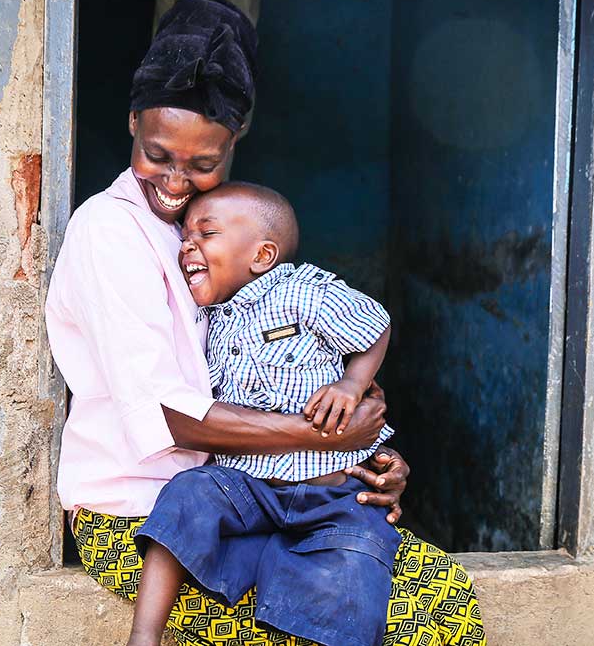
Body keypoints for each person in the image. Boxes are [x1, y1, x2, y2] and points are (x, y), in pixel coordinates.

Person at [45, 0, 485, 644]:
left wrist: (361, 453)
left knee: (441, 594)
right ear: (134, 120)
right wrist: (322, 442)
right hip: (141, 517)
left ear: (235, 141)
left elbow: (301, 359)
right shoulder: (109, 232)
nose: (174, 180)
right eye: (158, 154)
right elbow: (165, 412)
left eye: (203, 163)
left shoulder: (215, 231)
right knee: (335, 621)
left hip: (261, 495)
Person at [128, 183, 400, 646]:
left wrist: (352, 384)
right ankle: (143, 637)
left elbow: (375, 323)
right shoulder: (206, 317)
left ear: (261, 255)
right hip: (247, 486)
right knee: (187, 497)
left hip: (330, 493)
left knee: (356, 571)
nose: (187, 245)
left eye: (205, 233)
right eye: (184, 237)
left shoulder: (303, 293)